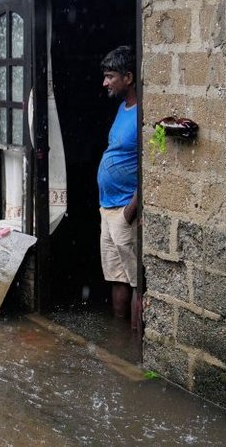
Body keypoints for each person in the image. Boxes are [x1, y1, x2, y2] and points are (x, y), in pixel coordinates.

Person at [97, 45, 139, 324]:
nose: (105, 82)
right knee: (116, 276)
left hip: (125, 209)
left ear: (128, 77)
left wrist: (131, 210)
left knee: (136, 281)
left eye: (110, 76)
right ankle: (120, 340)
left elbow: (152, 167)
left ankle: (137, 346)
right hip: (108, 209)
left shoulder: (143, 113)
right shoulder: (123, 109)